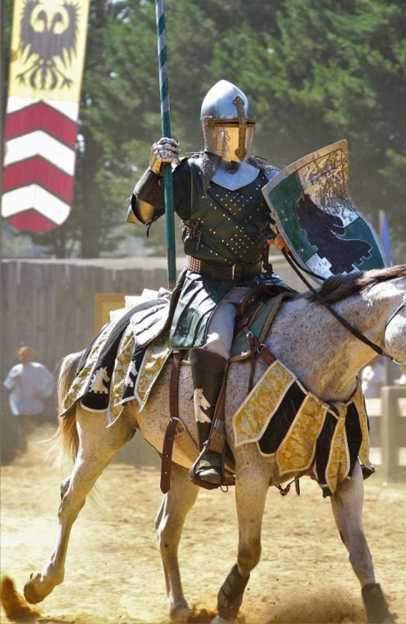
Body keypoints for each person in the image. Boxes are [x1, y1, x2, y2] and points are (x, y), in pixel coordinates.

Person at [127, 80, 287, 487]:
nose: (237, 136)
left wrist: (286, 237)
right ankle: (211, 446)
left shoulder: (269, 175)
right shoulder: (190, 174)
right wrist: (156, 169)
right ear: (211, 127)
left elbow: (299, 230)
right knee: (214, 345)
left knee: (308, 334)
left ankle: (320, 441)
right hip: (207, 286)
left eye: (243, 127)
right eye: (228, 127)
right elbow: (142, 214)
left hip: (260, 282)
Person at [3, 346, 55, 435]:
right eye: (22, 355)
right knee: (22, 431)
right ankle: (23, 446)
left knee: (36, 429)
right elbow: (7, 385)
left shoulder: (38, 368)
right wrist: (13, 379)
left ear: (31, 356)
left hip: (35, 406)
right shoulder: (16, 369)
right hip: (20, 407)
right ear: (19, 356)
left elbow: (50, 381)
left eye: (26, 355)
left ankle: (35, 446)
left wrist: (42, 393)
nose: (24, 357)